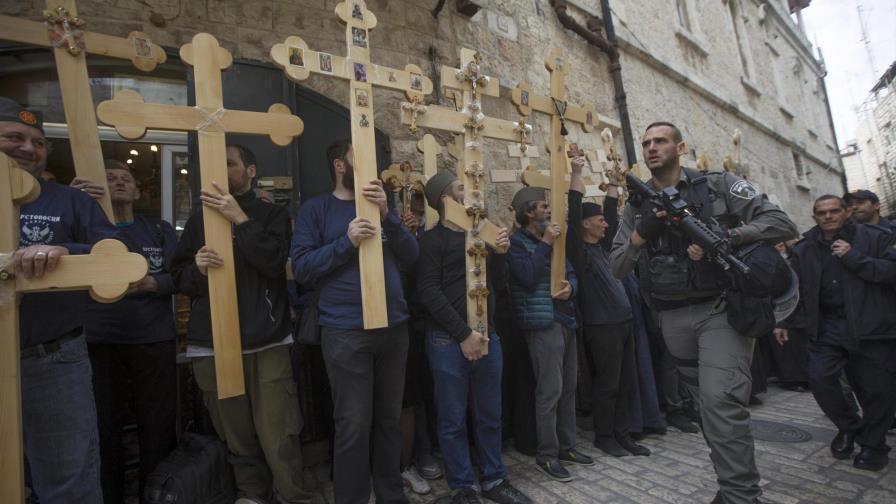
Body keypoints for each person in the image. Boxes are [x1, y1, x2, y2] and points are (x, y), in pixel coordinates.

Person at [610, 122, 798, 504]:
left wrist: (728, 236)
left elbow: (781, 223)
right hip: (671, 318)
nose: (651, 148)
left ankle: (740, 496)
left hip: (720, 312)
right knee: (707, 409)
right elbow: (616, 267)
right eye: (646, 143)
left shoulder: (716, 185)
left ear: (680, 147)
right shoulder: (636, 204)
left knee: (720, 402)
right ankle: (731, 488)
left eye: (660, 141)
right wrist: (639, 235)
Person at [171, 144, 310, 504]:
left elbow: (275, 263)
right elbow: (178, 278)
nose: (222, 170)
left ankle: (293, 495)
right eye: (216, 164)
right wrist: (196, 269)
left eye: (230, 164)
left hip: (266, 341)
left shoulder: (272, 214)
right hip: (213, 344)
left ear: (250, 170)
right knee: (236, 434)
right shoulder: (200, 219)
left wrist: (241, 221)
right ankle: (252, 495)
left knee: (279, 433)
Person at [2, 96, 118, 502]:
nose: (28, 148)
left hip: (51, 359)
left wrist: (68, 251)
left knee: (68, 479)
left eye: (37, 142)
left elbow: (114, 251)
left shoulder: (69, 201)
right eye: (14, 137)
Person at [291, 139, 419, 504]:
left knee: (389, 422)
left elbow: (411, 257)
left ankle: (392, 496)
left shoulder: (384, 207)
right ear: (339, 166)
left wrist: (388, 216)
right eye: (357, 158)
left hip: (394, 329)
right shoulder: (316, 210)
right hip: (346, 333)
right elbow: (301, 267)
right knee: (352, 427)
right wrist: (345, 242)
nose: (369, 166)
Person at [416, 171, 533, 504]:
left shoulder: (481, 234)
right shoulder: (431, 240)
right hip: (447, 341)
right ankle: (463, 487)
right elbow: (428, 291)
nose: (471, 194)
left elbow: (497, 283)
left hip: (488, 336)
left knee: (490, 414)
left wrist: (500, 254)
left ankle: (494, 479)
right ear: (445, 200)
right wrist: (464, 333)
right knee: (452, 418)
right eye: (461, 189)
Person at [774, 195, 896, 471]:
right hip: (827, 327)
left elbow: (892, 272)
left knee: (878, 390)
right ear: (815, 216)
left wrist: (855, 258)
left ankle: (874, 446)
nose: (828, 216)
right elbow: (798, 290)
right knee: (821, 379)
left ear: (846, 212)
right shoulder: (804, 249)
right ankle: (850, 426)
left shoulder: (876, 237)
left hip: (871, 326)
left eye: (834, 211)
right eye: (821, 212)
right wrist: (783, 321)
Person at [83, 160, 178, 503]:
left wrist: (153, 282)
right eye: (110, 178)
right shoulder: (86, 228)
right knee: (102, 428)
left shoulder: (159, 230)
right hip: (98, 342)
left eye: (126, 178)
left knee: (157, 426)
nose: (119, 182)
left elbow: (180, 275)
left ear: (138, 191)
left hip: (153, 341)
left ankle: (154, 495)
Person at [506, 186, 593, 482]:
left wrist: (571, 287)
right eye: (543, 206)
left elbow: (571, 273)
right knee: (549, 392)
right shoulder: (516, 244)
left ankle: (567, 446)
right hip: (542, 324)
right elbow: (527, 277)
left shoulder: (554, 241)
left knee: (569, 388)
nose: (547, 210)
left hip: (565, 319)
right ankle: (547, 454)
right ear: (529, 213)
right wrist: (545, 243)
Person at [565, 155, 648, 457]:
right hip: (602, 328)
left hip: (623, 323)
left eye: (602, 219)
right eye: (597, 219)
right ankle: (604, 436)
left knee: (626, 382)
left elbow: (613, 217)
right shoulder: (579, 251)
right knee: (608, 384)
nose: (603, 223)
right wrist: (576, 173)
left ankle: (623, 434)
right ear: (585, 225)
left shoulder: (603, 247)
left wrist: (613, 184)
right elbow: (572, 213)